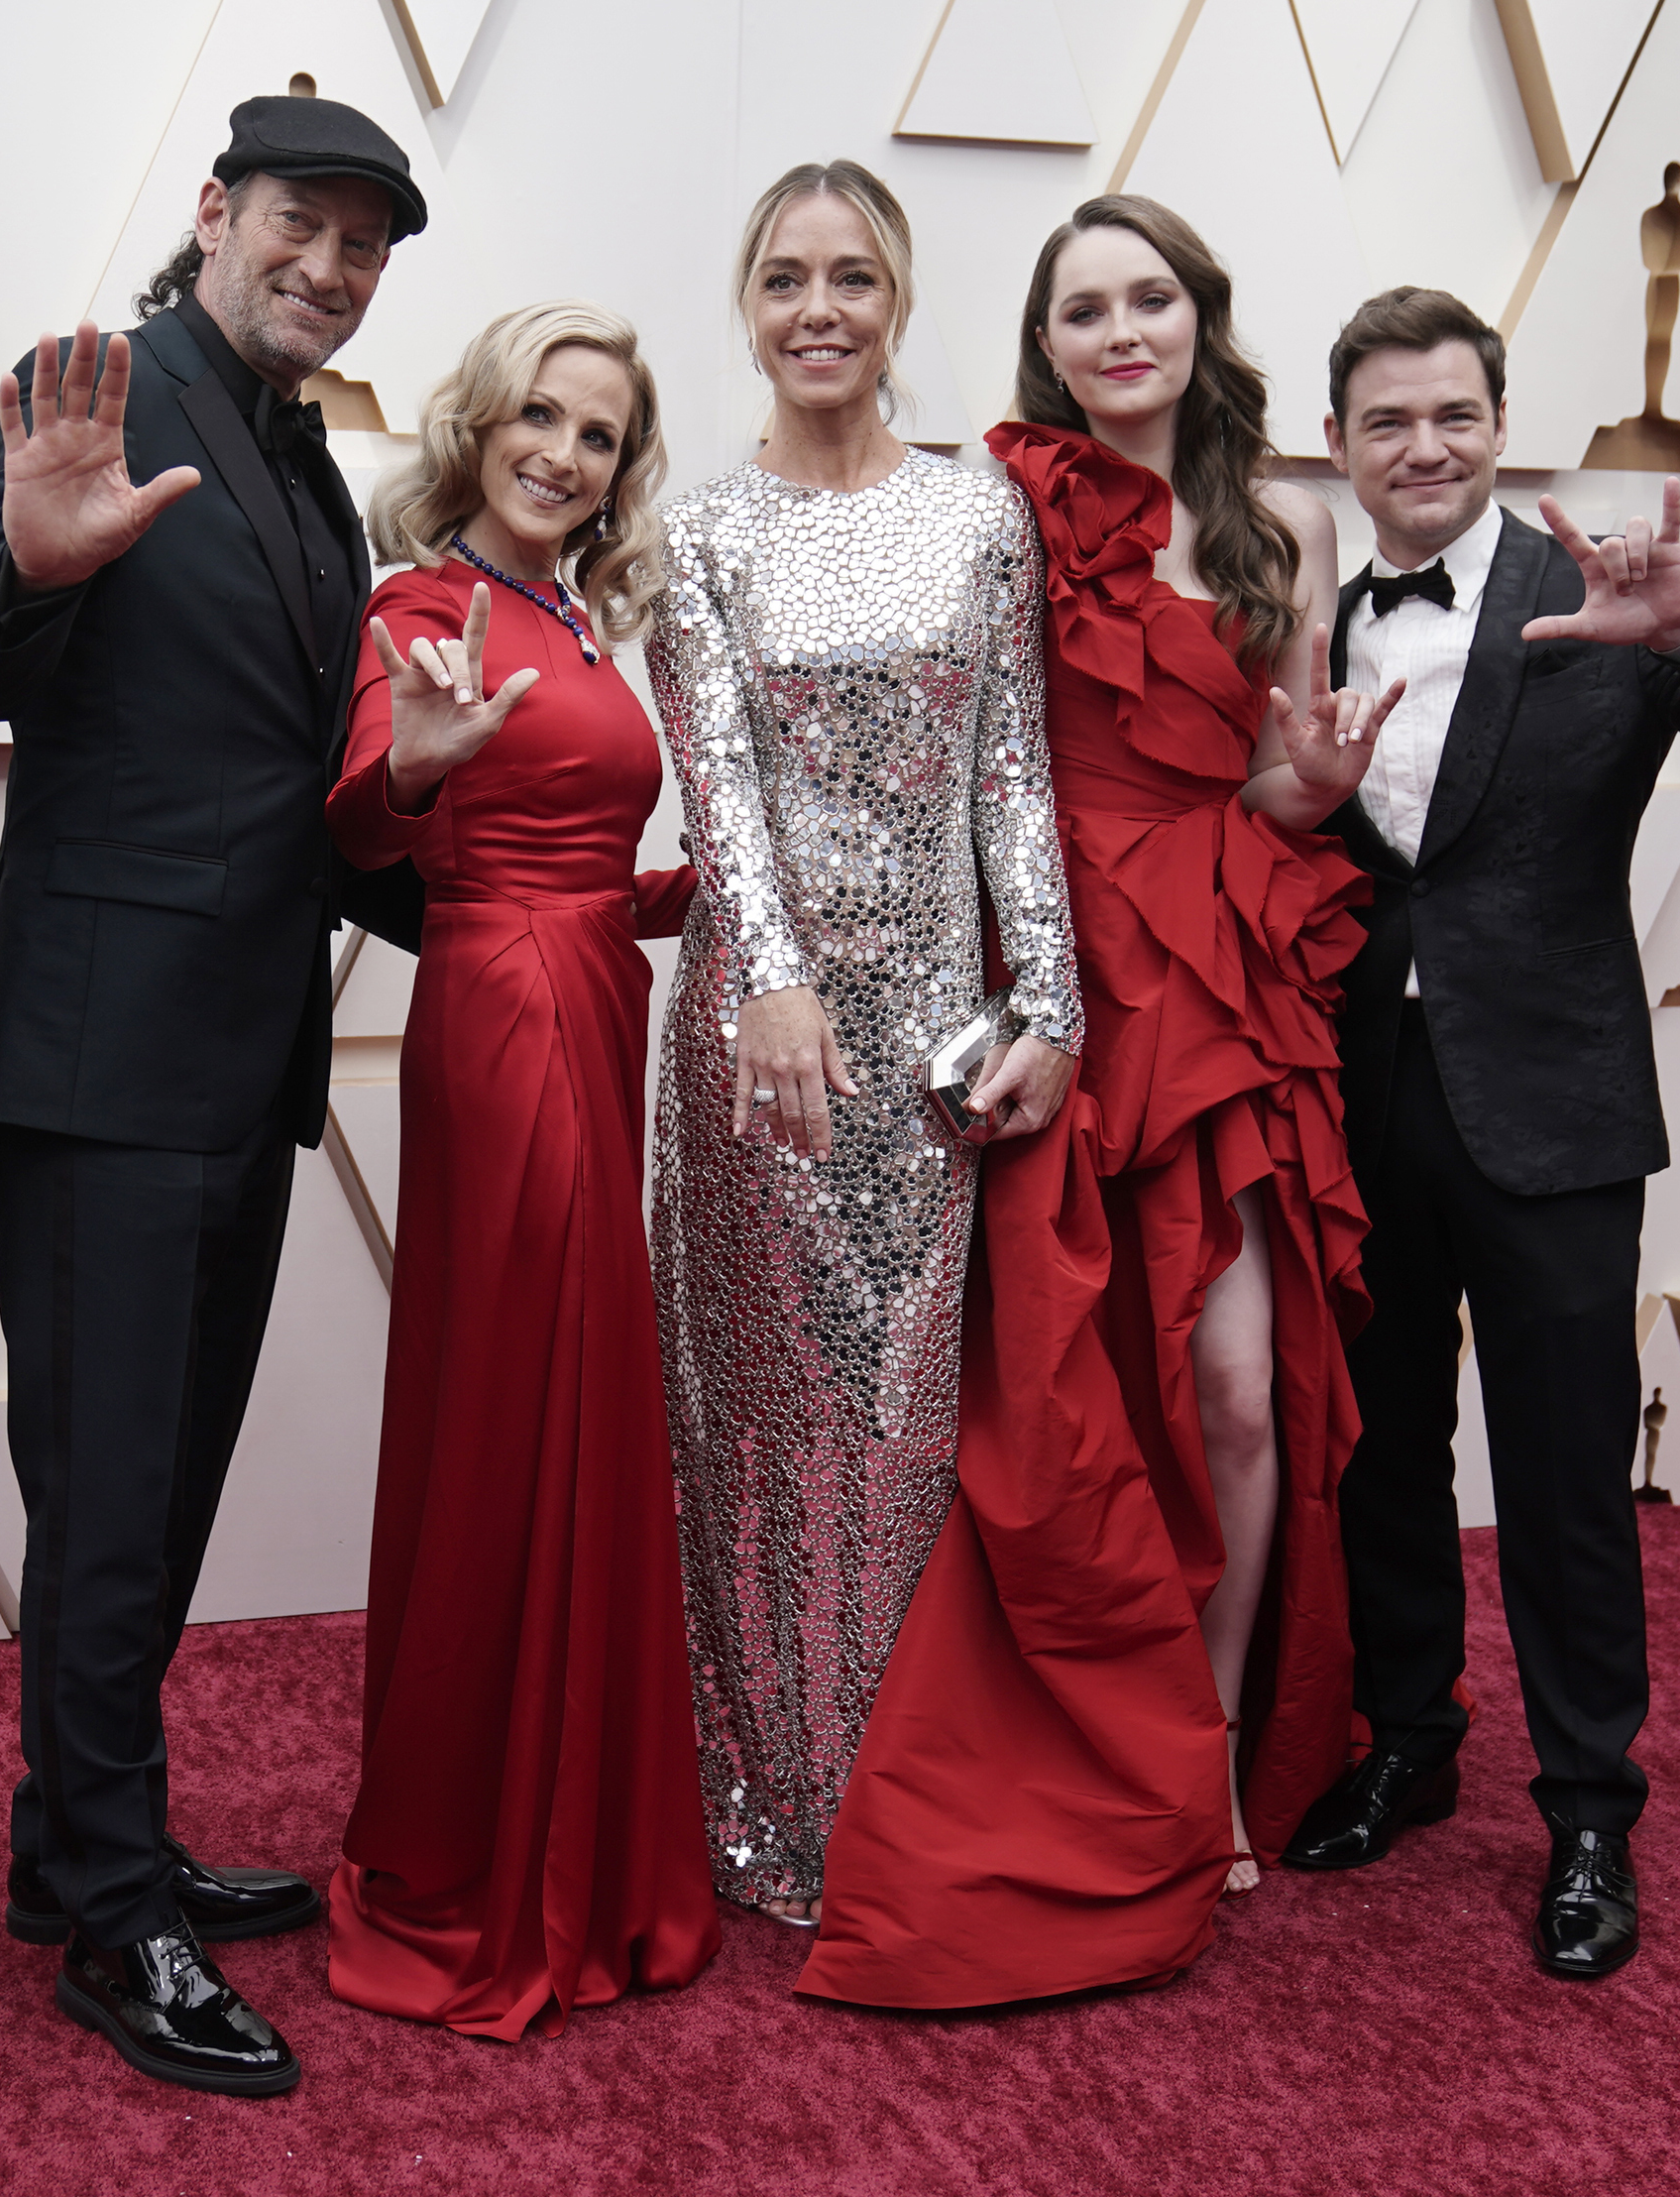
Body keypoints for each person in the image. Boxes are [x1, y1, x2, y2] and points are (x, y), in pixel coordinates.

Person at [804, 196, 1398, 2006]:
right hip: (1048, 973)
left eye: (1153, 299)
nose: (1122, 331)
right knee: (1067, 1384)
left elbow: (1285, 792)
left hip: (1212, 972)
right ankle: (987, 1732)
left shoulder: (1280, 524)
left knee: (1230, 1389)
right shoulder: (997, 500)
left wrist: (1308, 791)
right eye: (1085, 309)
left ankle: (1202, 1754)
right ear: (1045, 343)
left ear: (1203, 320)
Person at [0, 94, 427, 2097]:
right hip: (93, 1056)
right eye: (299, 223)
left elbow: (297, 799)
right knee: (112, 1499)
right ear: (216, 210)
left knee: (163, 1490)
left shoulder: (312, 464)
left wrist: (514, 887)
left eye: (363, 247)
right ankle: (116, 1922)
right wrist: (32, 573)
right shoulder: (88, 395)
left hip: (238, 1061)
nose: (326, 267)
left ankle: (78, 1848)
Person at [1285, 289, 1680, 1978]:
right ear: (1341, 446)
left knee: (1559, 1479)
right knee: (1377, 1450)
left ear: (1498, 422)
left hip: (1554, 1111)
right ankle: (1409, 1737)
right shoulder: (1300, 610)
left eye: (1454, 414)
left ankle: (1592, 1813)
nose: (1424, 446)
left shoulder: (1602, 598)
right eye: (1388, 421)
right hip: (1351, 1101)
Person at [649, 161, 1082, 1939]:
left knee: (902, 1431)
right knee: (759, 1425)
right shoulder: (698, 528)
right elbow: (720, 786)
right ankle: (759, 1804)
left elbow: (1012, 778)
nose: (816, 308)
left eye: (851, 277)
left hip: (933, 1052)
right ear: (746, 305)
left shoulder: (982, 518)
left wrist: (1046, 999)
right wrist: (764, 978)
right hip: (759, 1045)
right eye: (783, 278)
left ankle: (888, 1800)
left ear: (897, 299)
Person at [323, 303, 719, 2037]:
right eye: (538, 418)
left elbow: (575, 851)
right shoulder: (424, 608)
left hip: (589, 989)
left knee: (563, 1389)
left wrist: (683, 898)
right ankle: (482, 1852)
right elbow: (363, 808)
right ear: (478, 426)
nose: (566, 453)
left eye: (602, 434)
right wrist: (412, 763)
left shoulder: (574, 615)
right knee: (520, 1399)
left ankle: (558, 1820)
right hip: (501, 1015)